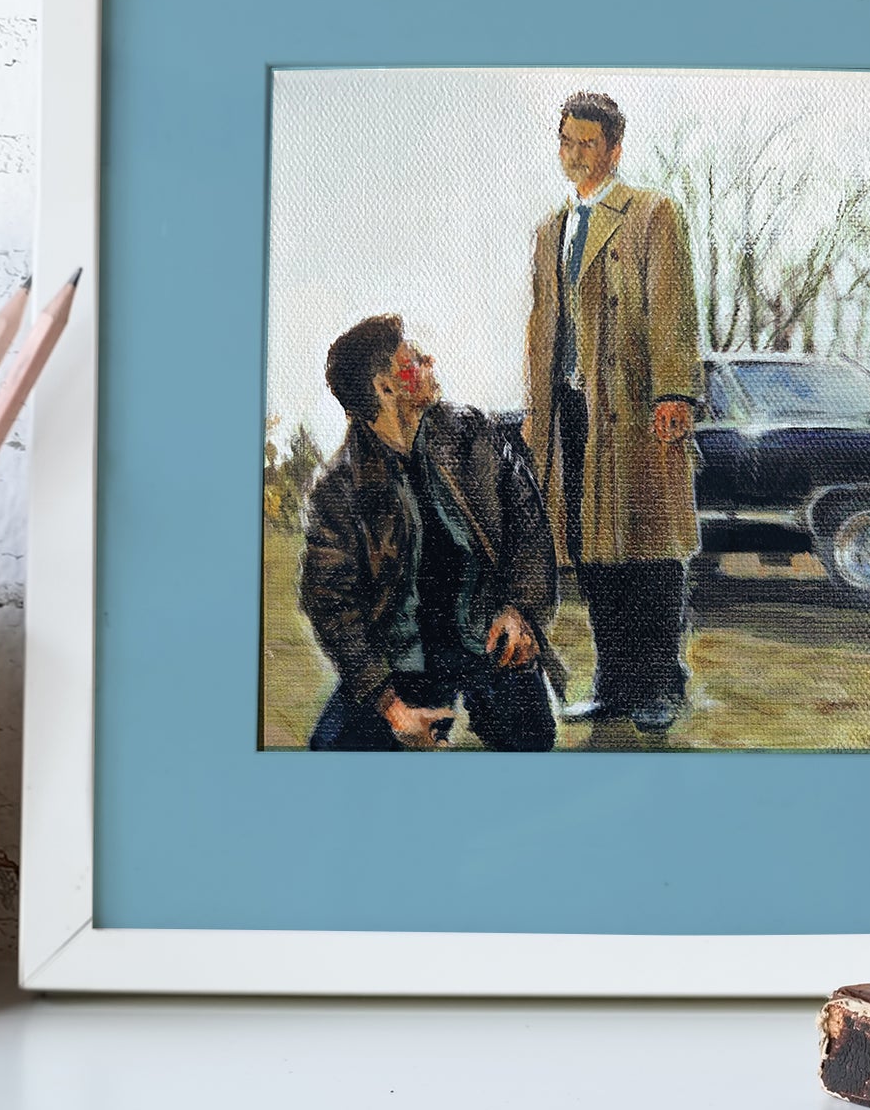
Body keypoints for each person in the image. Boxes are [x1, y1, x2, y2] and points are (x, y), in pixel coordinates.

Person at [300, 313, 564, 751]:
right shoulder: (339, 490)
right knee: (331, 750)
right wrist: (391, 707)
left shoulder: (475, 436)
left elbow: (530, 532)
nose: (429, 362)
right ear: (385, 388)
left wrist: (520, 609)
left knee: (532, 735)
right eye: (416, 360)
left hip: (487, 639)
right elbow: (332, 607)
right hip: (402, 656)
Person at [523, 92, 703, 733]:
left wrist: (675, 391)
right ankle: (613, 681)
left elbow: (673, 307)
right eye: (566, 142)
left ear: (615, 148)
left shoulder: (651, 212)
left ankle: (662, 685)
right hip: (573, 412)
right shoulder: (551, 229)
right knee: (592, 548)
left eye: (588, 143)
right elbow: (542, 326)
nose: (575, 155)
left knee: (648, 548)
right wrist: (535, 417)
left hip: (636, 411)